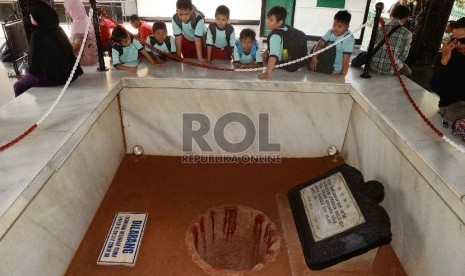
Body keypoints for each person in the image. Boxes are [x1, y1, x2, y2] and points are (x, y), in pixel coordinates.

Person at [13, 0, 83, 97]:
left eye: (31, 15)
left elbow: (34, 66)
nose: (30, 17)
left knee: (18, 85)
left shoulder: (38, 35)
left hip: (55, 78)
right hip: (69, 74)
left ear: (38, 16)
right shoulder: (58, 29)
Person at [430, 17, 465, 122]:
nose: (458, 45)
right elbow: (435, 87)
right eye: (454, 39)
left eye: (463, 40)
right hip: (453, 107)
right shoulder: (449, 55)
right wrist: (443, 62)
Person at [309, 10, 355, 78]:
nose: (336, 28)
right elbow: (320, 44)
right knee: (315, 46)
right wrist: (314, 57)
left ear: (347, 27)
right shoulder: (330, 32)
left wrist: (343, 74)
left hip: (334, 68)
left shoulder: (348, 38)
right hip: (325, 61)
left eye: (339, 27)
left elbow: (346, 58)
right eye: (334, 25)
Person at [369, 5, 412, 76]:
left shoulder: (380, 28)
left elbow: (370, 47)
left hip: (373, 66)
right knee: (408, 71)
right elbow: (403, 56)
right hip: (391, 68)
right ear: (405, 19)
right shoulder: (407, 34)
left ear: (391, 15)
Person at [64, 0, 98, 65]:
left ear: (72, 10)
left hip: (83, 60)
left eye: (66, 9)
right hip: (93, 59)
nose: (66, 12)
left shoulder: (78, 23)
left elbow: (75, 45)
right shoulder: (87, 19)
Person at [258, 6, 287, 80]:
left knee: (258, 56)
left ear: (280, 22)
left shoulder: (275, 36)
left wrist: (267, 73)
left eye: (271, 20)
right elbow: (280, 44)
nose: (267, 22)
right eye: (267, 19)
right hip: (286, 58)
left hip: (279, 64)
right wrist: (267, 50)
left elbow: (273, 56)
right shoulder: (285, 28)